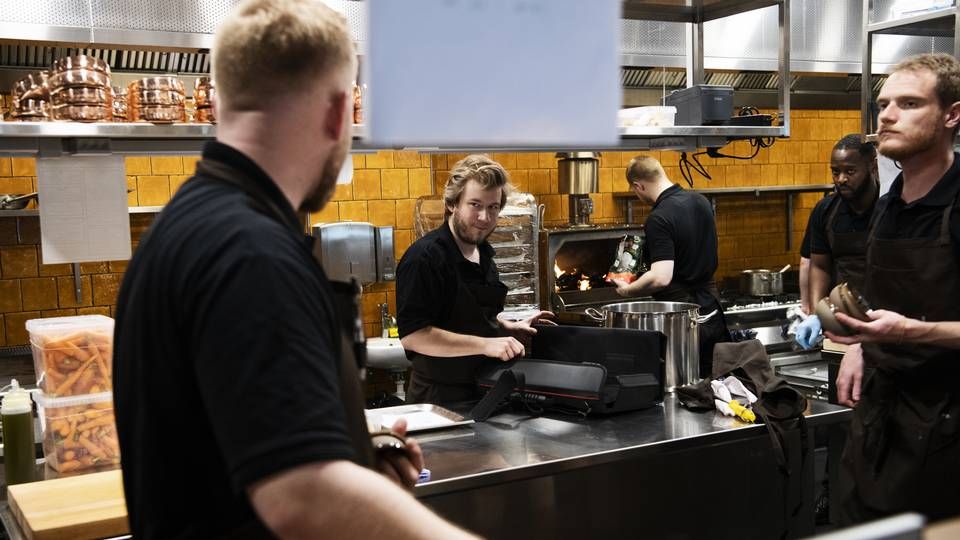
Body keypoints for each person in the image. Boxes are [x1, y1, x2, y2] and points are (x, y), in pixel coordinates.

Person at [112, 1, 473, 538]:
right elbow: (301, 500)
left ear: (220, 103)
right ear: (335, 112)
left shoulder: (182, 228)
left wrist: (349, 457)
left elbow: (230, 454)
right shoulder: (250, 253)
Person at [826, 52, 960, 524]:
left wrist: (907, 332)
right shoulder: (889, 204)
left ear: (951, 114)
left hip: (947, 428)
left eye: (908, 103)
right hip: (878, 420)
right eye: (883, 104)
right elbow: (883, 301)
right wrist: (863, 346)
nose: (886, 115)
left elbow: (906, 324)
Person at [397, 155, 554, 404]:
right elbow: (414, 335)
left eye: (493, 207)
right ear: (452, 204)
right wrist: (485, 344)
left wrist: (505, 328)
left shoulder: (484, 255)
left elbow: (463, 317)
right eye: (475, 205)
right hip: (437, 398)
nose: (484, 217)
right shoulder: (424, 258)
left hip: (483, 390)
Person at [611, 156, 729, 377]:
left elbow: (660, 278)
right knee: (714, 383)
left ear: (639, 186)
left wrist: (627, 290)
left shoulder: (659, 217)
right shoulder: (700, 201)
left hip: (682, 321)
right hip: (712, 310)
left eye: (635, 191)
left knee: (682, 388)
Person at [794, 135, 880, 349]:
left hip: (884, 323)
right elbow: (819, 266)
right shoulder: (825, 211)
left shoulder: (889, 207)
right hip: (843, 325)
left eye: (850, 172)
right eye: (835, 172)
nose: (841, 179)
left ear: (872, 167)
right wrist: (817, 314)